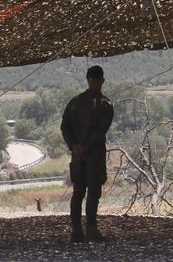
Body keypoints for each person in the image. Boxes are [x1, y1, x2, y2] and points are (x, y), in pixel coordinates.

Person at [60, 65, 114, 242]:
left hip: (77, 156)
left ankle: (76, 231)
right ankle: (91, 229)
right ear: (102, 81)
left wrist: (74, 146)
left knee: (78, 193)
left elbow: (65, 126)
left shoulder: (74, 102)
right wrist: (86, 147)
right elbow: (101, 131)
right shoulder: (105, 104)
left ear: (88, 79)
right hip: (94, 156)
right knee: (93, 193)